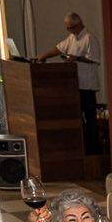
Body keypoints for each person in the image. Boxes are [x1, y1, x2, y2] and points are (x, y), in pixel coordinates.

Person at [35, 12, 101, 155]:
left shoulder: (89, 38)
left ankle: (93, 151)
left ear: (79, 25)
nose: (70, 31)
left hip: (87, 85)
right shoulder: (72, 38)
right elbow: (60, 48)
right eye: (68, 29)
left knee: (89, 119)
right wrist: (45, 56)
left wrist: (77, 58)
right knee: (78, 117)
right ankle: (82, 147)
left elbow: (95, 59)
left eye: (71, 28)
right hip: (74, 84)